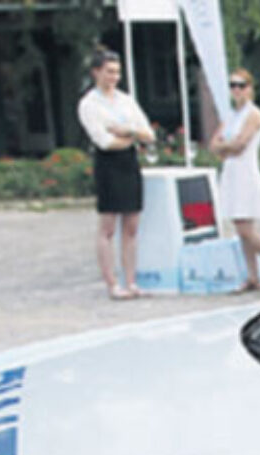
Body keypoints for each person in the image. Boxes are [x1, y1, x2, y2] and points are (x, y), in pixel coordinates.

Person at [77, 49, 154, 300]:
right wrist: (129, 137)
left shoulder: (125, 100)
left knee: (131, 226)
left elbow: (148, 134)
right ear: (96, 72)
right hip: (108, 165)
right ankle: (112, 284)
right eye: (109, 72)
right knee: (108, 227)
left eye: (117, 72)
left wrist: (127, 131)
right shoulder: (89, 104)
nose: (114, 77)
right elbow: (104, 141)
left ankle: (131, 281)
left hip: (129, 163)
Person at [210, 69, 260, 291]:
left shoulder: (254, 114)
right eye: (233, 85)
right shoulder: (231, 116)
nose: (237, 90)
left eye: (241, 85)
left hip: (245, 172)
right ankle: (252, 275)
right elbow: (214, 144)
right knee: (239, 227)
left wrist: (225, 146)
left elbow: (240, 144)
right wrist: (225, 146)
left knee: (246, 229)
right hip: (231, 171)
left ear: (250, 88)